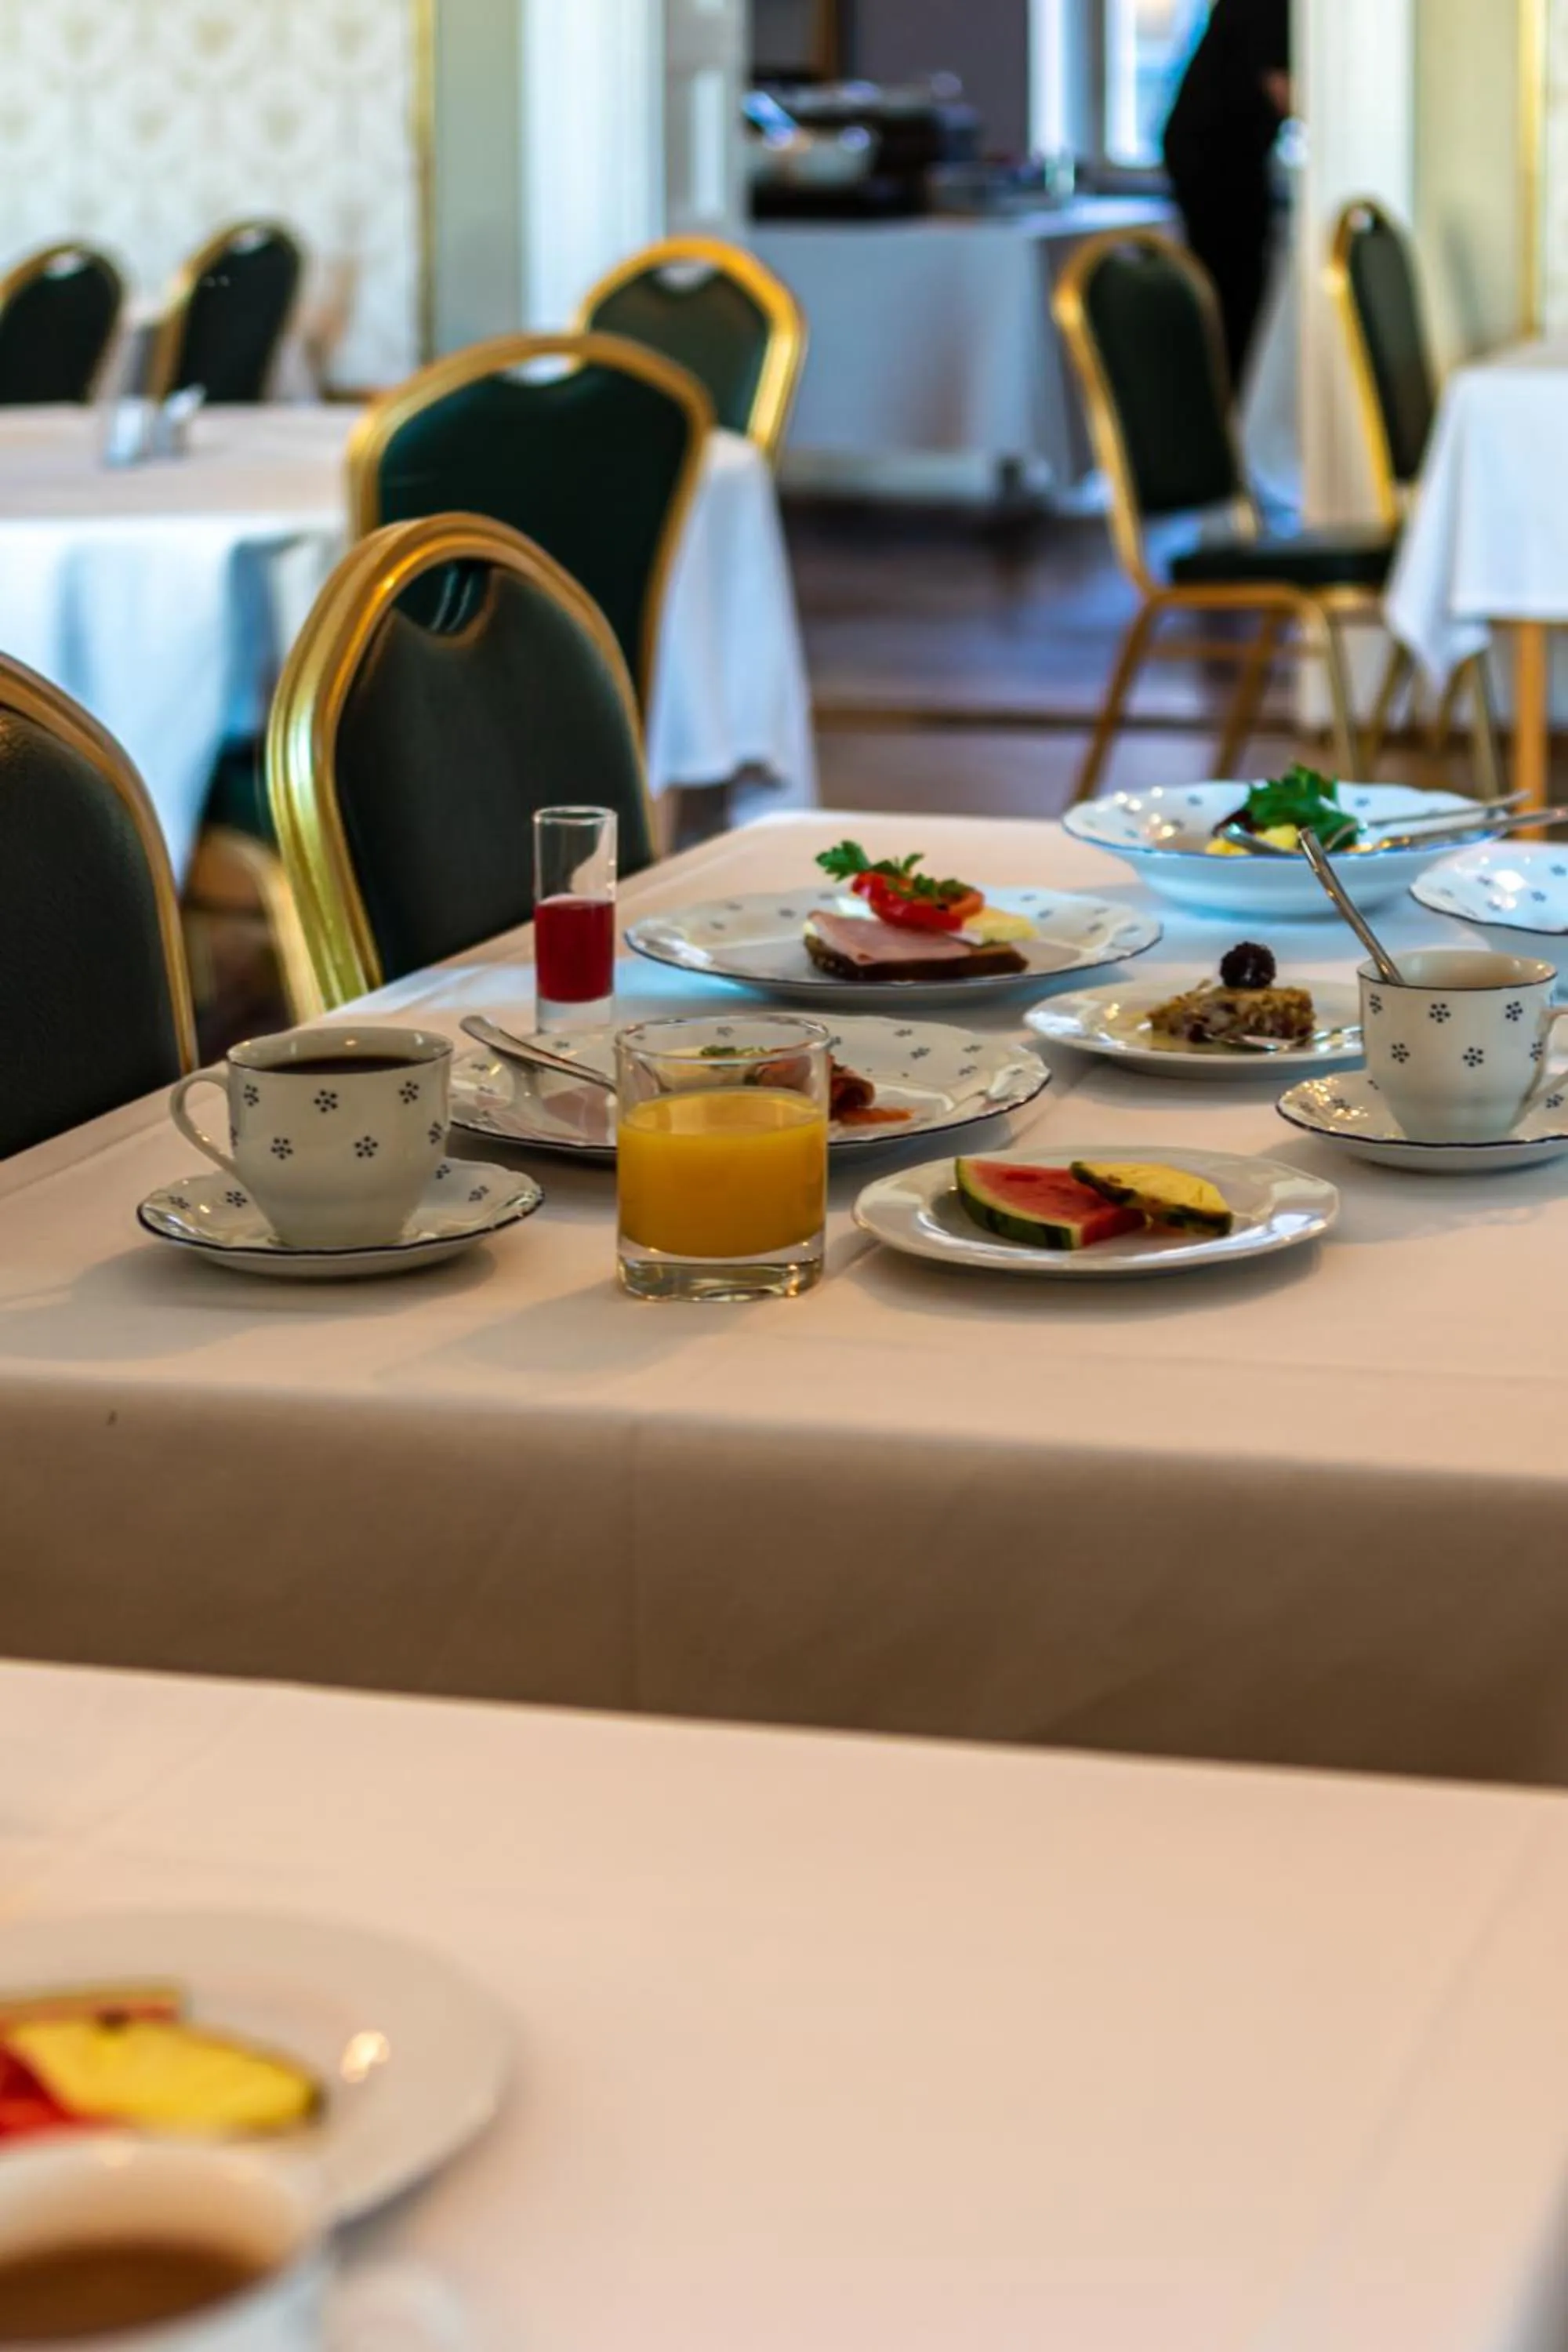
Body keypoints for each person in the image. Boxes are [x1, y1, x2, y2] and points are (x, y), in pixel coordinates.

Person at [1162, 0, 1291, 391]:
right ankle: (1224, 413)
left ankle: (1227, 405)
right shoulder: (1268, 7)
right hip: (1215, 161)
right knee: (1231, 298)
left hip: (1224, 156)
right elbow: (1286, 93)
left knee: (1235, 294)